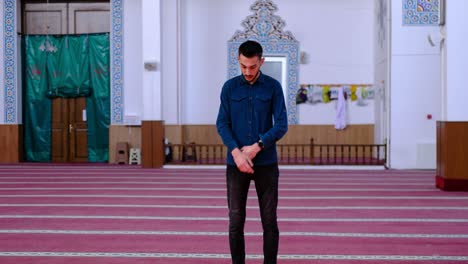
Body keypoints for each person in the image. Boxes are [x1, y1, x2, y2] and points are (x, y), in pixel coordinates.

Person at [216, 40, 288, 264]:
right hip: (236, 165)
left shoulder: (273, 87)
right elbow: (222, 124)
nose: (248, 71)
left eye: (253, 67)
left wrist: (257, 146)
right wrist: (237, 153)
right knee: (235, 221)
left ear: (261, 62)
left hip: (266, 164)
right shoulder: (229, 88)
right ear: (238, 61)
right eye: (244, 66)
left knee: (269, 221)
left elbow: (281, 124)